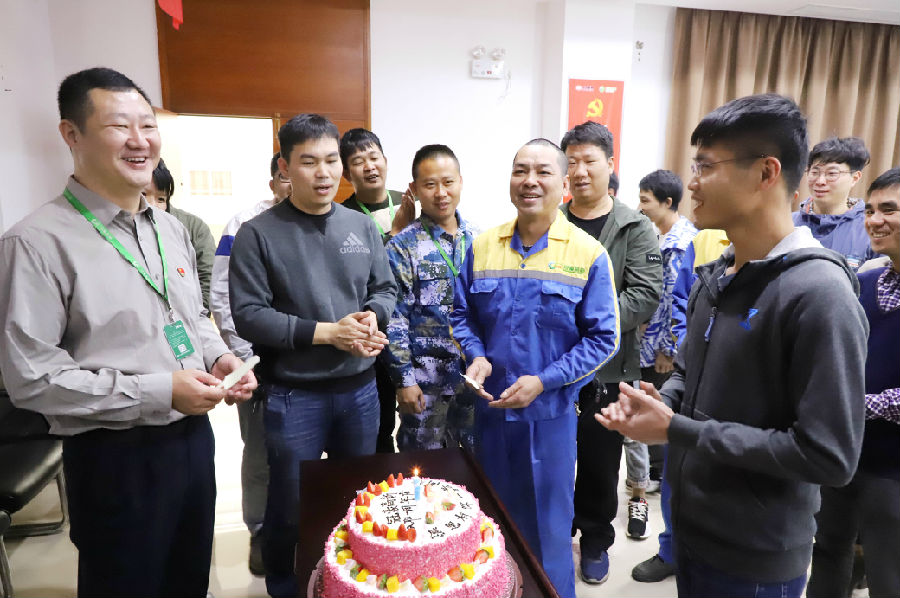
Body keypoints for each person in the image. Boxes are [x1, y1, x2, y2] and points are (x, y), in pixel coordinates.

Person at [598, 93, 868, 598]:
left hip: (756, 557)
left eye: (706, 166)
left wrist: (678, 430)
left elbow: (829, 455)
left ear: (766, 172)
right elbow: (688, 370)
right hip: (695, 532)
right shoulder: (717, 276)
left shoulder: (819, 294)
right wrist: (664, 401)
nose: (692, 183)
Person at [0, 67, 257, 597]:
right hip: (113, 454)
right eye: (120, 126)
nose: (140, 141)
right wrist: (160, 391)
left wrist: (217, 357)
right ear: (72, 135)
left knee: (189, 578)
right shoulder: (36, 243)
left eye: (148, 125)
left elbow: (187, 318)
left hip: (192, 440)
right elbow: (32, 378)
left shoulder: (169, 228)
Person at [229, 113, 397, 598]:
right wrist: (328, 334)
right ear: (285, 167)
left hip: (360, 391)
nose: (324, 173)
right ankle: (285, 585)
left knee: (356, 499)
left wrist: (371, 318)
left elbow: (385, 289)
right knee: (289, 504)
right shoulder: (258, 233)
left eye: (331, 161)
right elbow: (249, 316)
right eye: (308, 162)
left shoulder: (359, 226)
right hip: (293, 395)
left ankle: (350, 584)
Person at [450, 138, 621, 598]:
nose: (530, 181)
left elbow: (604, 338)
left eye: (543, 172)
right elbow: (462, 314)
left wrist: (545, 381)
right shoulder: (482, 247)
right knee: (490, 528)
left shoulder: (587, 254)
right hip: (489, 415)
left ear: (563, 184)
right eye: (520, 170)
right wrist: (477, 354)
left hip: (549, 420)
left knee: (548, 535)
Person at [560, 121, 662, 577]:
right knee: (555, 456)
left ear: (610, 164)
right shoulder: (551, 220)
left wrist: (584, 318)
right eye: (572, 162)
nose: (580, 171)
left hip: (609, 368)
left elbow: (645, 294)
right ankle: (557, 531)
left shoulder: (634, 227)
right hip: (556, 365)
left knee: (601, 462)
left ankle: (596, 539)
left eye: (589, 161)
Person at [807, 167, 900, 598]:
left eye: (889, 210)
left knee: (888, 571)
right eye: (870, 210)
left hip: (892, 467)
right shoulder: (863, 282)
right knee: (828, 551)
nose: (875, 221)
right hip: (843, 450)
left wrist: (855, 402)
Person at [208, 152, 291, 576]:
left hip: (308, 365)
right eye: (285, 176)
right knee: (259, 450)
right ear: (274, 181)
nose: (293, 183)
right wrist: (244, 358)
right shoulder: (243, 224)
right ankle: (259, 530)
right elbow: (223, 296)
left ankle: (300, 526)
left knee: (304, 451)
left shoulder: (326, 221)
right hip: (256, 362)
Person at [631, 225, 729, 584]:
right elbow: (682, 302)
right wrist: (692, 354)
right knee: (678, 471)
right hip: (696, 378)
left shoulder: (802, 267)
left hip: (737, 396)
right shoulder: (705, 241)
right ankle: (672, 550)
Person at [384, 145, 477, 452]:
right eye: (430, 184)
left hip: (472, 380)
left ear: (460, 182)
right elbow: (394, 319)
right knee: (423, 469)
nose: (441, 193)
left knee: (473, 465)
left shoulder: (480, 240)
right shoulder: (402, 247)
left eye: (448, 182)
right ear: (414, 189)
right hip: (425, 385)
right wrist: (404, 380)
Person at [339, 127, 415, 453]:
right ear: (346, 172)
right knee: (379, 427)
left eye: (374, 157)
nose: (369, 167)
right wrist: (396, 232)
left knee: (420, 424)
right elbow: (359, 274)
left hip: (415, 330)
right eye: (359, 161)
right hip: (374, 333)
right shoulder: (342, 216)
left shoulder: (408, 201)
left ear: (385, 159)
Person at [636, 169, 697, 389]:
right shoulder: (658, 237)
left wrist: (669, 350)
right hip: (648, 346)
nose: (640, 207)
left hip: (660, 354)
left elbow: (675, 300)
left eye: (646, 201)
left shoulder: (678, 245)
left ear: (667, 202)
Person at [143, 158, 216, 309]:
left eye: (161, 199)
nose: (152, 205)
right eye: (143, 195)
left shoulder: (193, 228)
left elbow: (207, 279)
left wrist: (194, 316)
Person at [792, 136, 873, 270]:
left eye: (832, 173)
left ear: (855, 178)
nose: (820, 181)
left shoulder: (870, 229)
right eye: (815, 172)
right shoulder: (789, 223)